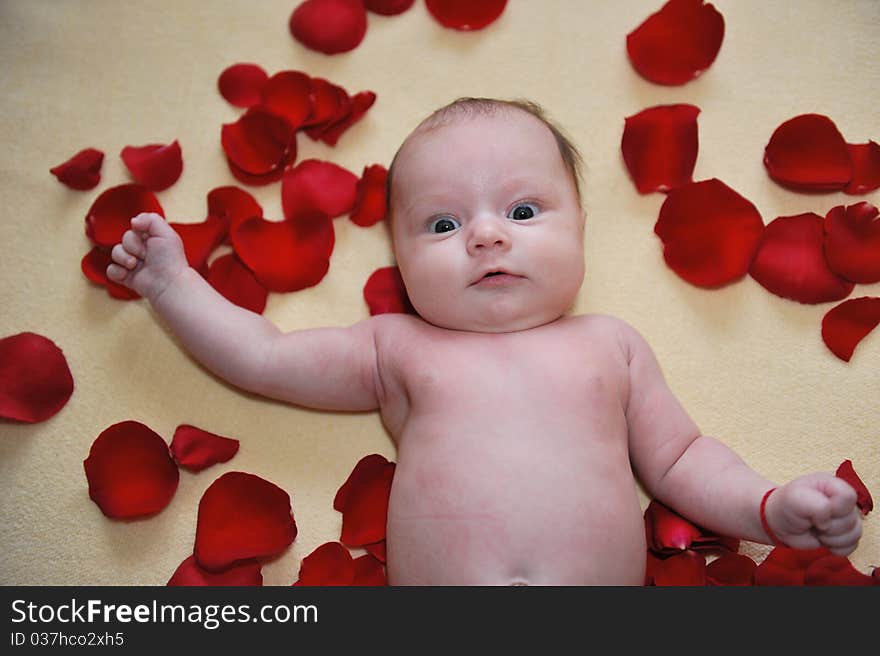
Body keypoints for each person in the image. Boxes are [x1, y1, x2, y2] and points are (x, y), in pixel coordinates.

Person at [107, 97, 862, 585]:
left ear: (581, 231)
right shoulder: (396, 348)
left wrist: (767, 506)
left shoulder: (611, 344)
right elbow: (265, 358)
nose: (487, 235)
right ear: (399, 262)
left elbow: (681, 460)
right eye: (442, 223)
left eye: (525, 210)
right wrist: (175, 287)